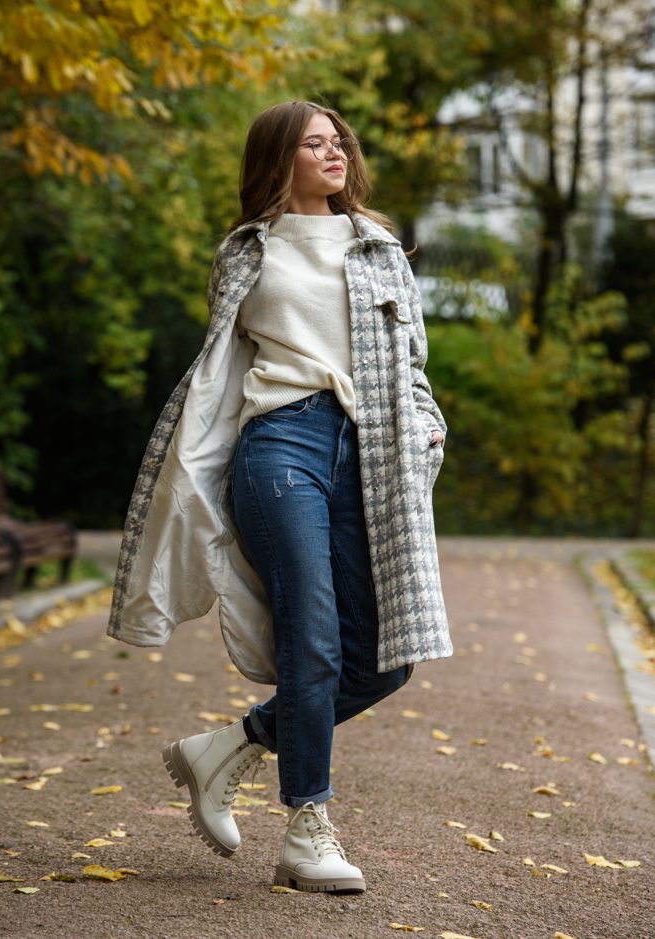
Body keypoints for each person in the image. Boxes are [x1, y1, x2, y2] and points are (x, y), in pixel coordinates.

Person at [107, 99, 452, 894]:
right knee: (315, 636)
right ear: (278, 159)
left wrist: (429, 422)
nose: (334, 154)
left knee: (388, 659)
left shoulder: (380, 247)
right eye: (314, 144)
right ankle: (308, 829)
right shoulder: (246, 252)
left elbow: (413, 366)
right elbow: (218, 370)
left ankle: (228, 744)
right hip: (278, 445)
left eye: (338, 142)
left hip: (366, 450)